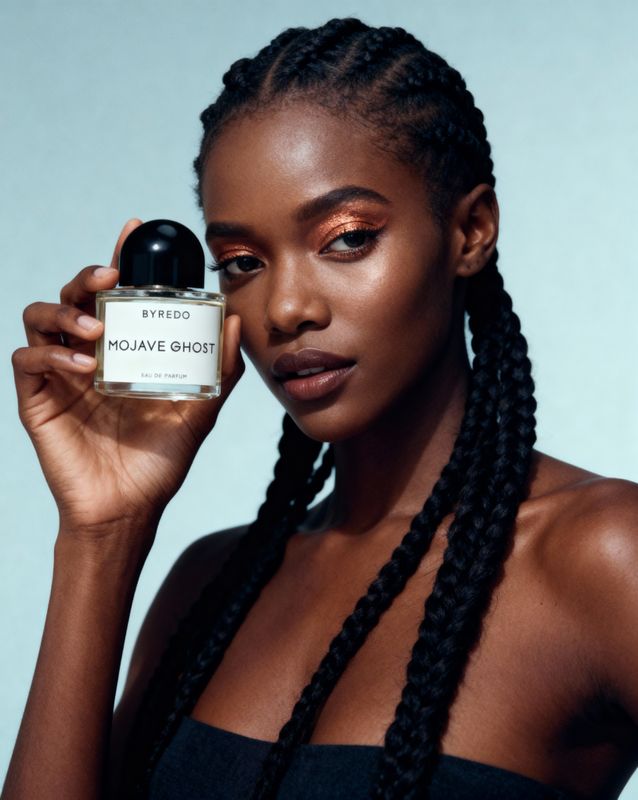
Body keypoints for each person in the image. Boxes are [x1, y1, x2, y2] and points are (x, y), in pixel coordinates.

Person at [4, 16, 638, 800]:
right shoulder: (209, 585)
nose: (286, 307)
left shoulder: (606, 557)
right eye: (241, 262)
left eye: (345, 239)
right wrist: (100, 535)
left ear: (470, 230)